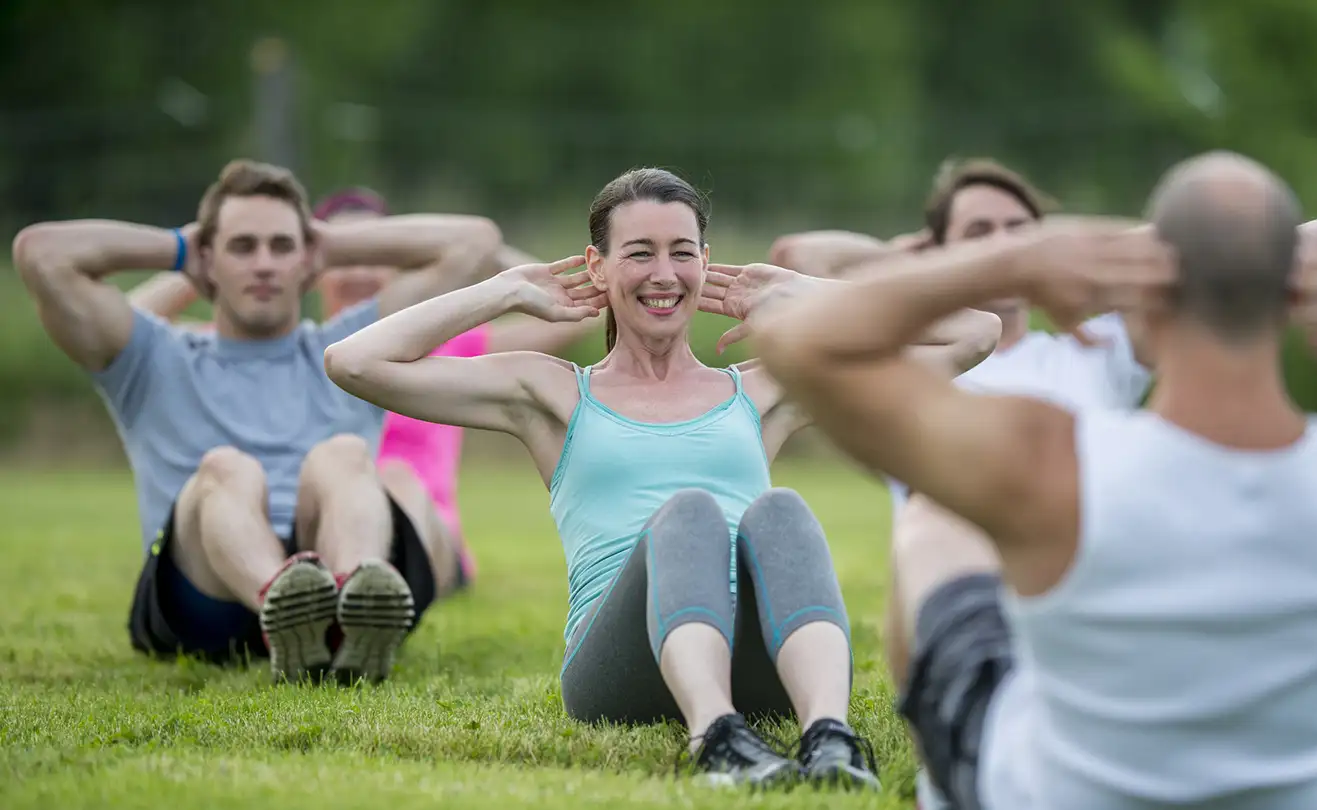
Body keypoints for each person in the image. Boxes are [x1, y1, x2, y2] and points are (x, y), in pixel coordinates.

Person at [754, 149, 1317, 809]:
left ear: (1141, 310)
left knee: (934, 520)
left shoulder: (1049, 460)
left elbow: (799, 340)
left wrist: (1013, 263)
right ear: (1304, 311)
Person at [322, 167, 999, 789]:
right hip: (619, 672)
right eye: (640, 253)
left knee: (782, 510)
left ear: (705, 262)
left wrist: (806, 293)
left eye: (682, 252)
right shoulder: (551, 392)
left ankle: (830, 736)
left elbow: (974, 333)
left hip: (759, 663)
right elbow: (353, 362)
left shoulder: (763, 390)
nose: (664, 275)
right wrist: (504, 291)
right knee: (690, 512)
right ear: (598, 266)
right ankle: (716, 737)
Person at [11, 159, 503, 686]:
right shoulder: (150, 358)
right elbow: (40, 254)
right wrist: (178, 249)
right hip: (206, 593)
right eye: (243, 247)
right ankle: (283, 604)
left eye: (281, 247)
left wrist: (327, 245)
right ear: (208, 260)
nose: (265, 264)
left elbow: (475, 244)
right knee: (226, 468)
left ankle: (353, 607)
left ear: (307, 260)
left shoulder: (350, 354)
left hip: (332, 551)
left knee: (342, 455)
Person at [127, 186, 601, 596]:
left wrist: (499, 268)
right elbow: (133, 328)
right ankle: (335, 592)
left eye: (375, 258)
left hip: (421, 530)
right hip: (327, 530)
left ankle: (371, 590)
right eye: (347, 261)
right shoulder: (287, 352)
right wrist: (211, 259)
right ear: (317, 269)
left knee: (394, 477)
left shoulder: (443, 347)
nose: (359, 272)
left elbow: (572, 317)